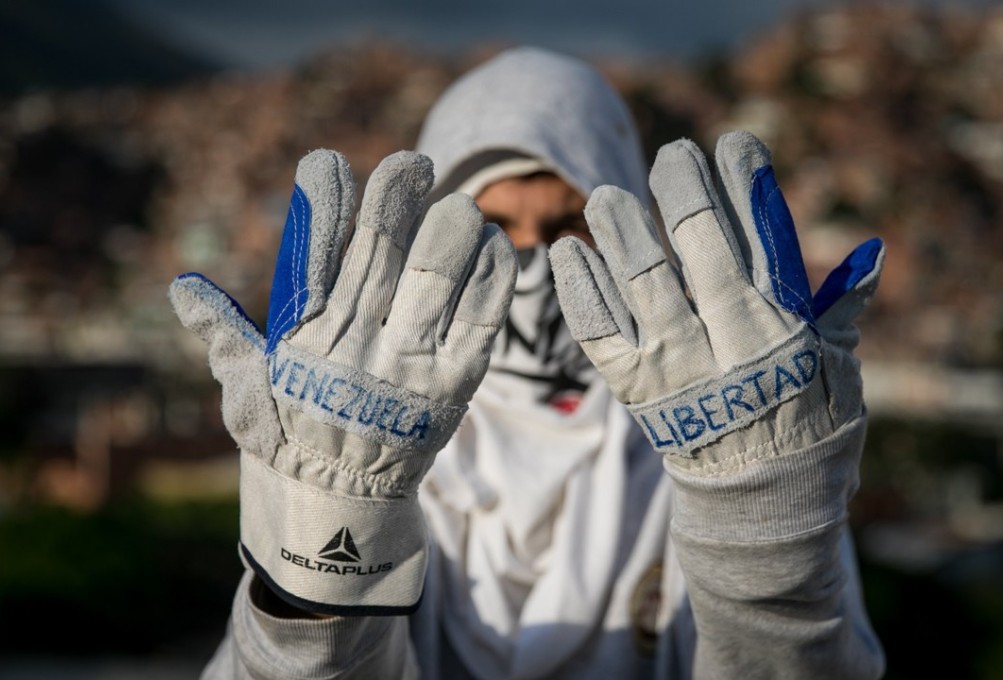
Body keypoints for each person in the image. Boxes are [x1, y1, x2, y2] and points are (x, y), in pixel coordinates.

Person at [170, 47, 886, 679]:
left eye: (567, 226)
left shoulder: (725, 443)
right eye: (490, 228)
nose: (534, 263)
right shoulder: (363, 437)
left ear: (625, 222)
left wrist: (764, 527)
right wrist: (323, 548)